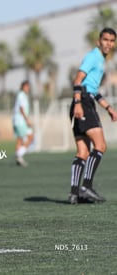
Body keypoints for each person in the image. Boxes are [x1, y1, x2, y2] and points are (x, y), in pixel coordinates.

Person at [68, 27, 117, 204]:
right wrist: (79, 103)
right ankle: (86, 187)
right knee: (101, 146)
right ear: (99, 41)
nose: (108, 44)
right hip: (83, 103)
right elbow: (78, 80)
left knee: (83, 151)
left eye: (112, 41)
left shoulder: (100, 61)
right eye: (105, 40)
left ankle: (74, 194)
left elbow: (94, 90)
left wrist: (108, 108)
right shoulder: (93, 57)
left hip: (84, 101)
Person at [12, 80, 33, 167]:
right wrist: (27, 120)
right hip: (21, 121)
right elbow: (21, 108)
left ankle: (19, 157)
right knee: (29, 137)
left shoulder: (22, 95)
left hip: (18, 120)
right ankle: (18, 154)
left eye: (28, 86)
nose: (28, 88)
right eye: (26, 86)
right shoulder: (21, 95)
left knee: (20, 139)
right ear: (23, 87)